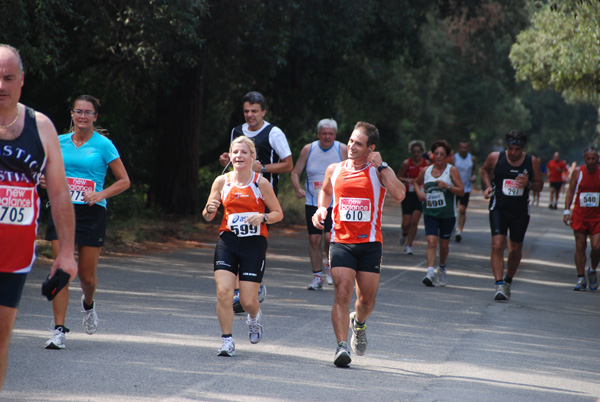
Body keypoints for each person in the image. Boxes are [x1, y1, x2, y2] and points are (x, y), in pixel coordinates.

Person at [0, 44, 77, 390]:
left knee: (1, 337)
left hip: (13, 255)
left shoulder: (40, 126)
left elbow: (59, 193)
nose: (1, 85)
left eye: (8, 77)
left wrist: (65, 253)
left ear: (21, 81)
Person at [312, 121, 405, 367]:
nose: (352, 146)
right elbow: (325, 190)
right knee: (342, 291)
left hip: (370, 244)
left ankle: (359, 323)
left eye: (359, 143)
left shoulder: (379, 171)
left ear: (371, 148)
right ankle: (341, 346)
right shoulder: (336, 168)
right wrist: (322, 209)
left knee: (366, 301)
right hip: (341, 241)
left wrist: (382, 165)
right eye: (351, 140)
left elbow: (400, 194)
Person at [44, 95, 130, 349]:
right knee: (61, 271)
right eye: (78, 111)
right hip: (62, 209)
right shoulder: (58, 142)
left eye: (88, 112)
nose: (82, 116)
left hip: (91, 213)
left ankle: (88, 304)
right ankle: (58, 329)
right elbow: (47, 170)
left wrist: (100, 194)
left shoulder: (104, 145)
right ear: (72, 114)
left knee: (86, 276)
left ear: (95, 117)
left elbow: (124, 180)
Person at [204, 136, 283, 357]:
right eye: (235, 152)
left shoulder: (261, 183)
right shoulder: (222, 181)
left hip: (254, 243)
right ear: (230, 156)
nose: (239, 156)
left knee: (248, 301)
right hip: (228, 241)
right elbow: (208, 215)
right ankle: (227, 340)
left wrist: (263, 217)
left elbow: (278, 214)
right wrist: (210, 209)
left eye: (244, 152)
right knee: (224, 292)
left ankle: (254, 318)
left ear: (252, 156)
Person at [219, 92, 292, 312]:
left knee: (253, 238)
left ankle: (253, 284)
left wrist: (264, 169)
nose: (250, 115)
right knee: (237, 235)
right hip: (238, 192)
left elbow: (288, 164)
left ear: (263, 112)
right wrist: (226, 159)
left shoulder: (274, 133)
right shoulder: (237, 131)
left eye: (254, 111)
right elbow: (236, 157)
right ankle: (244, 289)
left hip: (262, 194)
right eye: (246, 111)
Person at [480, 129, 543, 302]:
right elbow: (484, 170)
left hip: (520, 211)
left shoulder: (532, 161)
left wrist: (528, 184)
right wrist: (487, 187)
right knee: (497, 244)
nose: (513, 153)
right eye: (510, 149)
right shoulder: (495, 157)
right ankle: (499, 284)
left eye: (517, 149)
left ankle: (508, 280)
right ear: (506, 147)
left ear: (522, 148)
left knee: (515, 250)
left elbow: (539, 185)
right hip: (498, 207)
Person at [291, 118, 347, 290]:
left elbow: (349, 171)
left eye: (331, 133)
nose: (327, 136)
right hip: (313, 202)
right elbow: (295, 172)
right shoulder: (309, 149)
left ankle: (329, 267)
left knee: (330, 238)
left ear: (335, 135)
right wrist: (298, 188)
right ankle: (317, 277)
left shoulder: (342, 148)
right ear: (318, 134)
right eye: (324, 133)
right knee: (314, 239)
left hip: (335, 203)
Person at [415, 140, 464, 287]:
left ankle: (442, 267)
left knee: (443, 246)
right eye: (436, 153)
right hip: (430, 213)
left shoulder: (452, 170)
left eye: (442, 154)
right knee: (431, 242)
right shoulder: (426, 171)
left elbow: (461, 190)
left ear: (447, 156)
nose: (438, 156)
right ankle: (430, 272)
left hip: (447, 215)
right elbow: (416, 183)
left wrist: (448, 186)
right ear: (431, 155)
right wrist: (419, 193)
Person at [563, 146, 600, 291]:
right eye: (588, 159)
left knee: (597, 247)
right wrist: (567, 211)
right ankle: (580, 278)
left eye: (594, 158)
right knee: (580, 246)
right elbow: (571, 191)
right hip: (580, 215)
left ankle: (592, 269)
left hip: (597, 216)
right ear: (584, 159)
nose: (591, 162)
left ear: (597, 158)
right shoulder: (578, 172)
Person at [397, 140, 429, 255]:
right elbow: (399, 176)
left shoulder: (426, 164)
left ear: (422, 152)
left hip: (420, 194)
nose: (416, 154)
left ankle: (409, 245)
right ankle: (404, 234)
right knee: (406, 223)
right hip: (408, 194)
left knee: (414, 221)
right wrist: (407, 180)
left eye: (418, 151)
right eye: (414, 151)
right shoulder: (407, 163)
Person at [449, 139, 476, 243]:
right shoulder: (454, 158)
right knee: (452, 210)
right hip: (454, 187)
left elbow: (473, 170)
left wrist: (473, 177)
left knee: (462, 210)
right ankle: (452, 228)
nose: (463, 149)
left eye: (465, 147)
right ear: (459, 148)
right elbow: (449, 170)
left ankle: (459, 231)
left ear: (468, 148)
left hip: (466, 188)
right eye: (462, 147)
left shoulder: (472, 158)